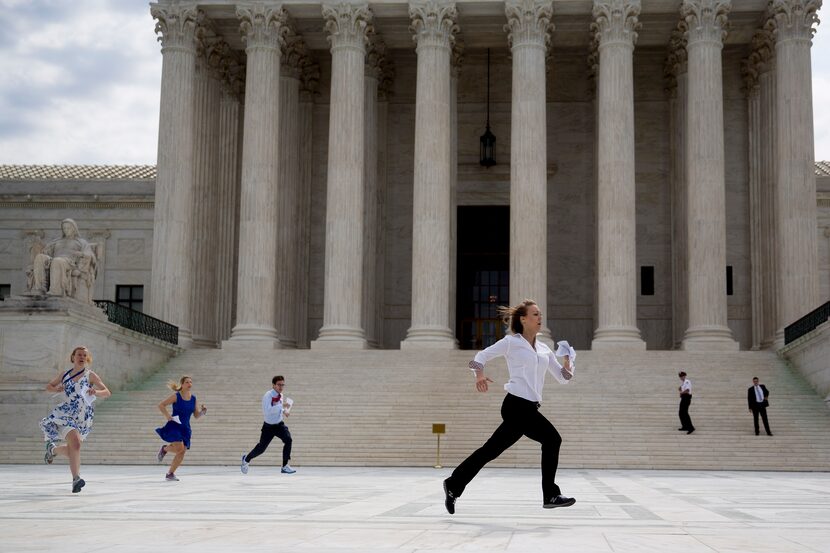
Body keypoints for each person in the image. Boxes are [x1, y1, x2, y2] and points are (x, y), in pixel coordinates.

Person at [442, 299, 575, 514]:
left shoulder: (543, 349)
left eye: (540, 314)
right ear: (523, 319)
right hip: (515, 405)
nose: (539, 318)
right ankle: (550, 494)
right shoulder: (512, 342)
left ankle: (454, 484)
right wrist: (479, 375)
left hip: (530, 407)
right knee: (552, 439)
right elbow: (479, 357)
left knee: (490, 451)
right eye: (535, 314)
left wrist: (569, 364)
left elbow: (562, 378)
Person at [41, 346, 111, 493]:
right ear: (73, 357)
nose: (82, 357)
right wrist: (56, 389)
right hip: (66, 413)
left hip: (83, 416)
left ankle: (53, 449)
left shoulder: (90, 375)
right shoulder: (65, 374)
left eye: (84, 355)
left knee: (74, 447)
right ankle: (76, 479)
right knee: (76, 444)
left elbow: (107, 392)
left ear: (87, 358)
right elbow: (48, 386)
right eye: (79, 355)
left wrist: (95, 392)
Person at [240, 375, 296, 475]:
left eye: (283, 385)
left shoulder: (281, 396)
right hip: (268, 427)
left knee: (288, 439)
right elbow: (268, 411)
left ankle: (285, 466)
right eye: (279, 385)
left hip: (279, 425)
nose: (281, 387)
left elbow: (277, 408)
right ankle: (246, 459)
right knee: (261, 449)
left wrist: (284, 411)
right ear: (273, 385)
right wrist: (281, 406)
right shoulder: (268, 395)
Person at [29, 218, 97, 299]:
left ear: (74, 229)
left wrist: (81, 254)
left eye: (68, 228)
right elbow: (46, 251)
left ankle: (56, 290)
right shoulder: (57, 241)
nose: (66, 230)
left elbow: (90, 255)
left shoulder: (81, 242)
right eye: (64, 228)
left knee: (57, 261)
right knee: (39, 257)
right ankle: (40, 288)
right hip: (54, 259)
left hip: (70, 262)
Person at [155, 376, 207, 481]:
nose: (189, 384)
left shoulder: (193, 398)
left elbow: (196, 415)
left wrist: (202, 412)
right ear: (182, 384)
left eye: (191, 382)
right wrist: (167, 416)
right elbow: (161, 405)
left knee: (182, 451)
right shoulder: (176, 396)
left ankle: (170, 473)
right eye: (187, 382)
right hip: (175, 425)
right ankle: (165, 449)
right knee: (179, 448)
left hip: (186, 428)